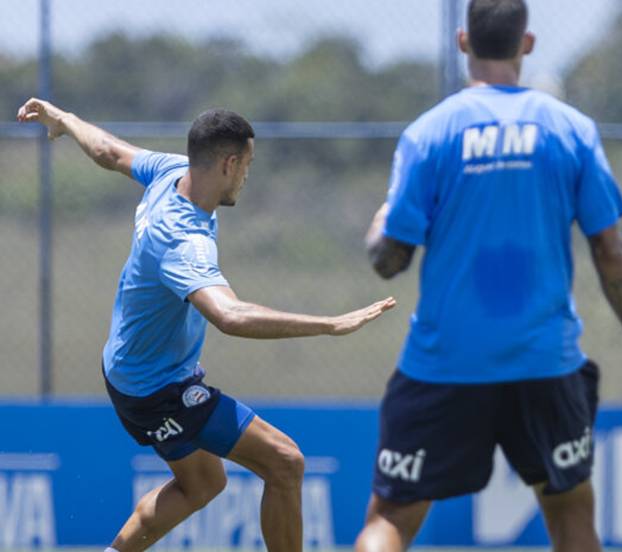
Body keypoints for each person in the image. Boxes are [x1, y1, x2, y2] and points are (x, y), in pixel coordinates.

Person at [16, 98, 396, 552]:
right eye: (248, 165)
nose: (247, 177)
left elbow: (110, 152)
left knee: (202, 484)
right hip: (157, 387)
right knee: (285, 462)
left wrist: (64, 120)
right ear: (229, 163)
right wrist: (329, 324)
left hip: (129, 371)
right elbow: (229, 316)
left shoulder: (170, 173)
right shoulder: (182, 238)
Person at [356, 1, 622, 551]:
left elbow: (390, 261)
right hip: (545, 361)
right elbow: (610, 251)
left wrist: (380, 226)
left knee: (391, 519)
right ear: (527, 44)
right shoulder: (571, 129)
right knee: (571, 514)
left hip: (445, 362)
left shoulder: (428, 134)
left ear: (462, 41)